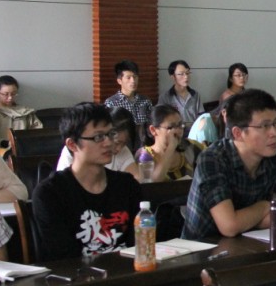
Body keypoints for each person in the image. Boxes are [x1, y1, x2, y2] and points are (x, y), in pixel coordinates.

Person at [183, 90, 276, 240]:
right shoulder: (212, 159)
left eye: (275, 123)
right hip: (203, 249)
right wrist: (265, 206)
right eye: (265, 126)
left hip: (251, 246)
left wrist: (245, 221)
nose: (274, 133)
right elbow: (229, 226)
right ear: (237, 133)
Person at [32, 103, 142, 260]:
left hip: (128, 271)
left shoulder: (127, 185)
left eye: (110, 134)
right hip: (77, 274)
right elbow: (63, 257)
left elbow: (139, 244)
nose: (108, 143)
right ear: (72, 144)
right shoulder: (50, 194)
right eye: (98, 137)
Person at [57, 107, 140, 179]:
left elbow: (136, 177)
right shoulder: (73, 150)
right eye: (99, 137)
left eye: (124, 143)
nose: (108, 143)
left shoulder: (122, 151)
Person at [138, 105, 206, 182]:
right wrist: (170, 148)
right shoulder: (144, 155)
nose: (178, 131)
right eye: (170, 127)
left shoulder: (192, 146)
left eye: (180, 125)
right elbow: (151, 184)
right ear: (153, 130)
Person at [0, 75, 44, 148]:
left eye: (13, 94)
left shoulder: (25, 111)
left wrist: (27, 142)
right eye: (5, 94)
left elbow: (37, 130)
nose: (10, 98)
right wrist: (3, 143)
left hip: (24, 148)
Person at [104, 59, 153, 129]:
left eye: (135, 77)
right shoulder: (111, 103)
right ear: (119, 81)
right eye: (128, 77)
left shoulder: (145, 101)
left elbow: (151, 123)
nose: (133, 81)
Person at [156, 60, 203, 130]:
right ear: (173, 77)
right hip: (175, 132)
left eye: (187, 73)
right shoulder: (165, 97)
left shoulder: (195, 95)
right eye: (181, 74)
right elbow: (161, 120)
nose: (186, 77)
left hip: (193, 132)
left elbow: (201, 117)